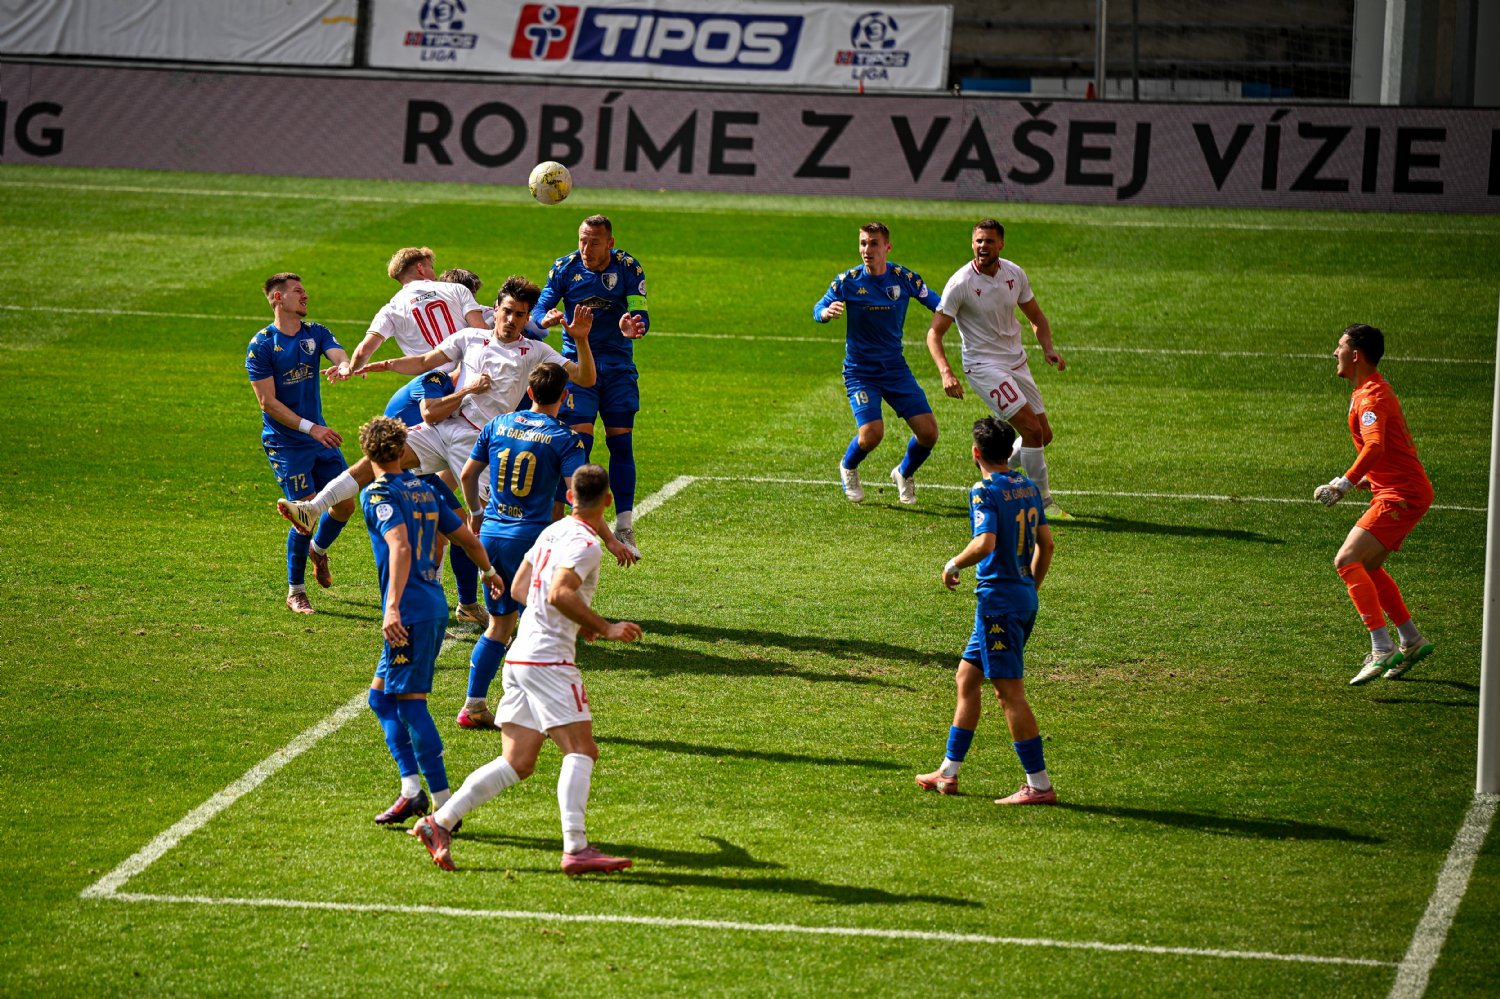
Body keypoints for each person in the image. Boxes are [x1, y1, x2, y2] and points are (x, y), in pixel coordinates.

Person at [411, 464, 643, 874]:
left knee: (518, 761)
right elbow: (559, 593)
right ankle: (576, 848)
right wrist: (604, 626)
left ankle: (439, 822)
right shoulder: (587, 545)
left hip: (519, 656)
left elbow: (520, 588)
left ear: (569, 497)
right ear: (608, 501)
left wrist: (578, 622)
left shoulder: (552, 532)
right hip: (549, 661)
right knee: (582, 750)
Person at [277, 277, 596, 547]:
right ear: (496, 308)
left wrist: (580, 340)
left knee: (489, 526)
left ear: (527, 319)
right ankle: (312, 509)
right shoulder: (470, 337)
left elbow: (585, 378)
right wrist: (373, 366)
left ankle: (504, 587)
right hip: (442, 427)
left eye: (520, 315)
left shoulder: (535, 351)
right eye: (507, 311)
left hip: (479, 442)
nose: (512, 320)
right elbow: (423, 362)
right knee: (377, 459)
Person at [358, 416, 507, 826]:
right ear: (403, 449)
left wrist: (391, 608)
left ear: (368, 452)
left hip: (409, 613)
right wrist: (488, 572)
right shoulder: (426, 488)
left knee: (411, 706)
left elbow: (400, 545)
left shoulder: (377, 494)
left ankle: (445, 807)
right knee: (380, 698)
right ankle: (411, 791)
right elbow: (466, 537)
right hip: (433, 604)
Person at [916, 417, 1058, 805]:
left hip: (999, 605)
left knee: (1009, 693)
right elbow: (1047, 544)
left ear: (975, 452)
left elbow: (985, 543)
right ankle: (948, 773)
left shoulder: (984, 491)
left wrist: (952, 564)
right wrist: (1029, 587)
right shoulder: (1027, 486)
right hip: (1018, 599)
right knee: (966, 678)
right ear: (1010, 451)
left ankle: (1039, 785)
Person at [455, 362, 591, 731]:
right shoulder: (565, 438)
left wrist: (476, 513)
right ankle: (537, 711)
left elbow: (467, 475)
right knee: (540, 629)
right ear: (565, 396)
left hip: (491, 536)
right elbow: (577, 494)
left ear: (529, 393)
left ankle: (474, 705)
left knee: (499, 625)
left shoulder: (497, 425)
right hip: (530, 542)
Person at [925, 220, 1071, 520]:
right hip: (983, 366)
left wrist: (1047, 348)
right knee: (1031, 430)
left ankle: (993, 469)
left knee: (1043, 434)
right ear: (972, 244)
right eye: (978, 241)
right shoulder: (960, 283)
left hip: (1016, 361)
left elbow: (1036, 317)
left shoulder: (1014, 274)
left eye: (989, 241)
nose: (983, 246)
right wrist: (946, 372)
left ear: (1001, 244)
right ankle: (1042, 503)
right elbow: (934, 333)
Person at [1315, 323, 1436, 686]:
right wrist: (1367, 479)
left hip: (1402, 494)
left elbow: (1375, 446)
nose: (1334, 352)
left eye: (1340, 346)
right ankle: (1411, 639)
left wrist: (1344, 484)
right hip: (1397, 489)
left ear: (1356, 355)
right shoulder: (1368, 391)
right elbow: (1391, 449)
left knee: (1347, 560)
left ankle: (1382, 648)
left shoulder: (1371, 397)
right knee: (1368, 567)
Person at [533, 214, 649, 555]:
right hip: (578, 369)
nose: (586, 248)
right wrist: (545, 318)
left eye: (594, 242)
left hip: (617, 368)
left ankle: (624, 525)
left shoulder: (628, 267)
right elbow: (541, 307)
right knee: (577, 446)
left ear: (609, 243)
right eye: (582, 240)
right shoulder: (564, 267)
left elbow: (641, 311)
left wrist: (634, 326)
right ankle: (571, 524)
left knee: (621, 443)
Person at [246, 273, 355, 614]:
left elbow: (338, 354)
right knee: (304, 513)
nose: (305, 295)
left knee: (345, 504)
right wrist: (311, 429)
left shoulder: (315, 332)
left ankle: (318, 552)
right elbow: (267, 402)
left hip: (317, 437)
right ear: (278, 298)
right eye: (297, 291)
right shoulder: (262, 345)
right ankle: (296, 591)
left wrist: (345, 366)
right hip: (287, 444)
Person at [814, 222, 942, 505]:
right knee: (872, 434)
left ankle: (903, 473)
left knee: (928, 433)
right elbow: (818, 307)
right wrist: (826, 312)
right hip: (860, 372)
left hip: (895, 369)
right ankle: (848, 467)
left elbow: (938, 303)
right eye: (863, 243)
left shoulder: (904, 278)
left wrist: (964, 312)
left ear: (887, 247)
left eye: (873, 243)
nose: (866, 249)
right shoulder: (848, 281)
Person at [346, 247, 488, 374]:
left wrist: (350, 369)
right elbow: (481, 330)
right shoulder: (457, 289)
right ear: (420, 268)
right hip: (469, 373)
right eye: (431, 267)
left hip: (433, 384)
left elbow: (363, 351)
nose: (435, 276)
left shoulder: (390, 310)